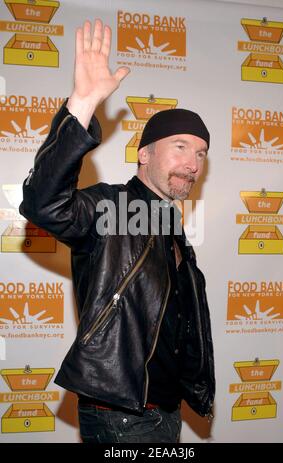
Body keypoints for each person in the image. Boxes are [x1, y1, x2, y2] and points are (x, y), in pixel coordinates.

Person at [19, 19, 215, 443]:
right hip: (120, 420)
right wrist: (83, 105)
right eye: (180, 146)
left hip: (164, 414)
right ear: (144, 154)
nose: (193, 163)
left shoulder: (171, 225)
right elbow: (43, 204)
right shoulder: (112, 205)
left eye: (200, 153)